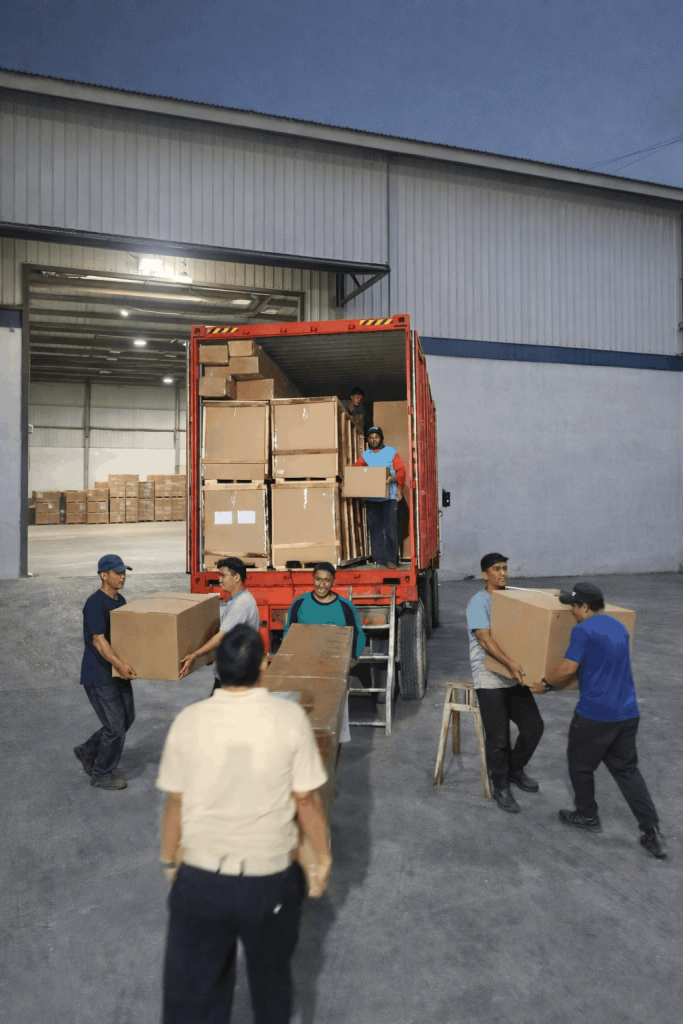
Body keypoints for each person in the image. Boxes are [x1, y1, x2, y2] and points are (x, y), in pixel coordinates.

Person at [157, 624, 331, 1024]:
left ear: (218, 667)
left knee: (194, 999)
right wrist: (321, 857)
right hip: (268, 881)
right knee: (271, 985)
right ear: (264, 666)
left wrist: (170, 862)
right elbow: (305, 800)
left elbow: (175, 803)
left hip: (201, 880)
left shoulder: (190, 719)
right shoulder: (288, 718)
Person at [526, 582, 667, 859]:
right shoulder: (619, 628)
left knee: (579, 765)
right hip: (627, 713)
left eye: (574, 607)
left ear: (585, 608)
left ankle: (588, 816)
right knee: (627, 771)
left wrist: (544, 683)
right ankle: (652, 832)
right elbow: (602, 664)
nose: (572, 612)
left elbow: (568, 668)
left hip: (595, 714)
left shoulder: (583, 630)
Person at [466, 552, 544, 813]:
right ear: (485, 574)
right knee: (498, 738)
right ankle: (501, 785)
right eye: (496, 569)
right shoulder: (479, 602)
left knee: (534, 727)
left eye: (505, 568)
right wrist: (510, 663)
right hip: (489, 679)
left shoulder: (512, 599)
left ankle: (514, 769)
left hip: (514, 677)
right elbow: (485, 639)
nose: (503, 573)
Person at [73, 554, 137, 791]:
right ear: (103, 575)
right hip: (99, 673)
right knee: (115, 726)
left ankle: (88, 750)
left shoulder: (121, 601)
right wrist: (120, 665)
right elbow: (99, 641)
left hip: (118, 671)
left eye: (124, 572)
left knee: (128, 717)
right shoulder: (95, 603)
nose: (123, 577)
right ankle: (101, 774)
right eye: (118, 573)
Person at [285, 563, 366, 744]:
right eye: (318, 579)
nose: (322, 585)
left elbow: (358, 635)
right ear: (313, 579)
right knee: (308, 716)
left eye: (327, 580)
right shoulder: (299, 604)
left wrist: (353, 659)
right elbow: (289, 636)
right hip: (306, 670)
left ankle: (333, 748)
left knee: (334, 717)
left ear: (333, 581)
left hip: (334, 671)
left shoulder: (344, 606)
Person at [178, 557, 260, 691]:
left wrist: (195, 655)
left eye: (223, 575)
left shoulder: (241, 605)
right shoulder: (238, 600)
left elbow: (221, 636)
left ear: (237, 577)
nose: (220, 580)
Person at [353, 426, 406, 569]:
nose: (374, 439)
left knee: (390, 529)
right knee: (375, 530)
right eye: (371, 437)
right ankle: (379, 559)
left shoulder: (390, 452)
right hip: (372, 498)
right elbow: (357, 470)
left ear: (381, 437)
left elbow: (401, 470)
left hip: (389, 498)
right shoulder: (365, 455)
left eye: (376, 436)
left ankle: (392, 560)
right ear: (368, 439)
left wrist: (397, 484)